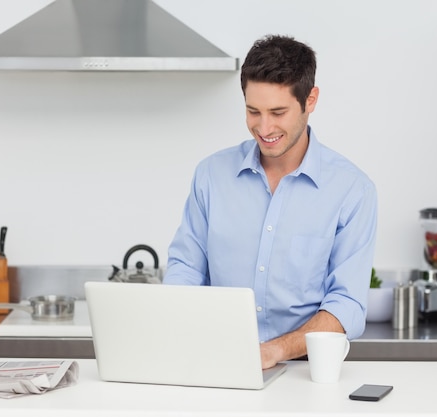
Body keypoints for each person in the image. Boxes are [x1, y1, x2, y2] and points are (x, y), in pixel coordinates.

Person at [162, 34, 378, 370]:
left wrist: (273, 351)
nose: (264, 128)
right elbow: (187, 268)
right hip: (218, 362)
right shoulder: (211, 175)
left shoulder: (352, 190)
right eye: (253, 111)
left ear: (310, 100)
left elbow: (346, 304)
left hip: (305, 372)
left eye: (278, 112)